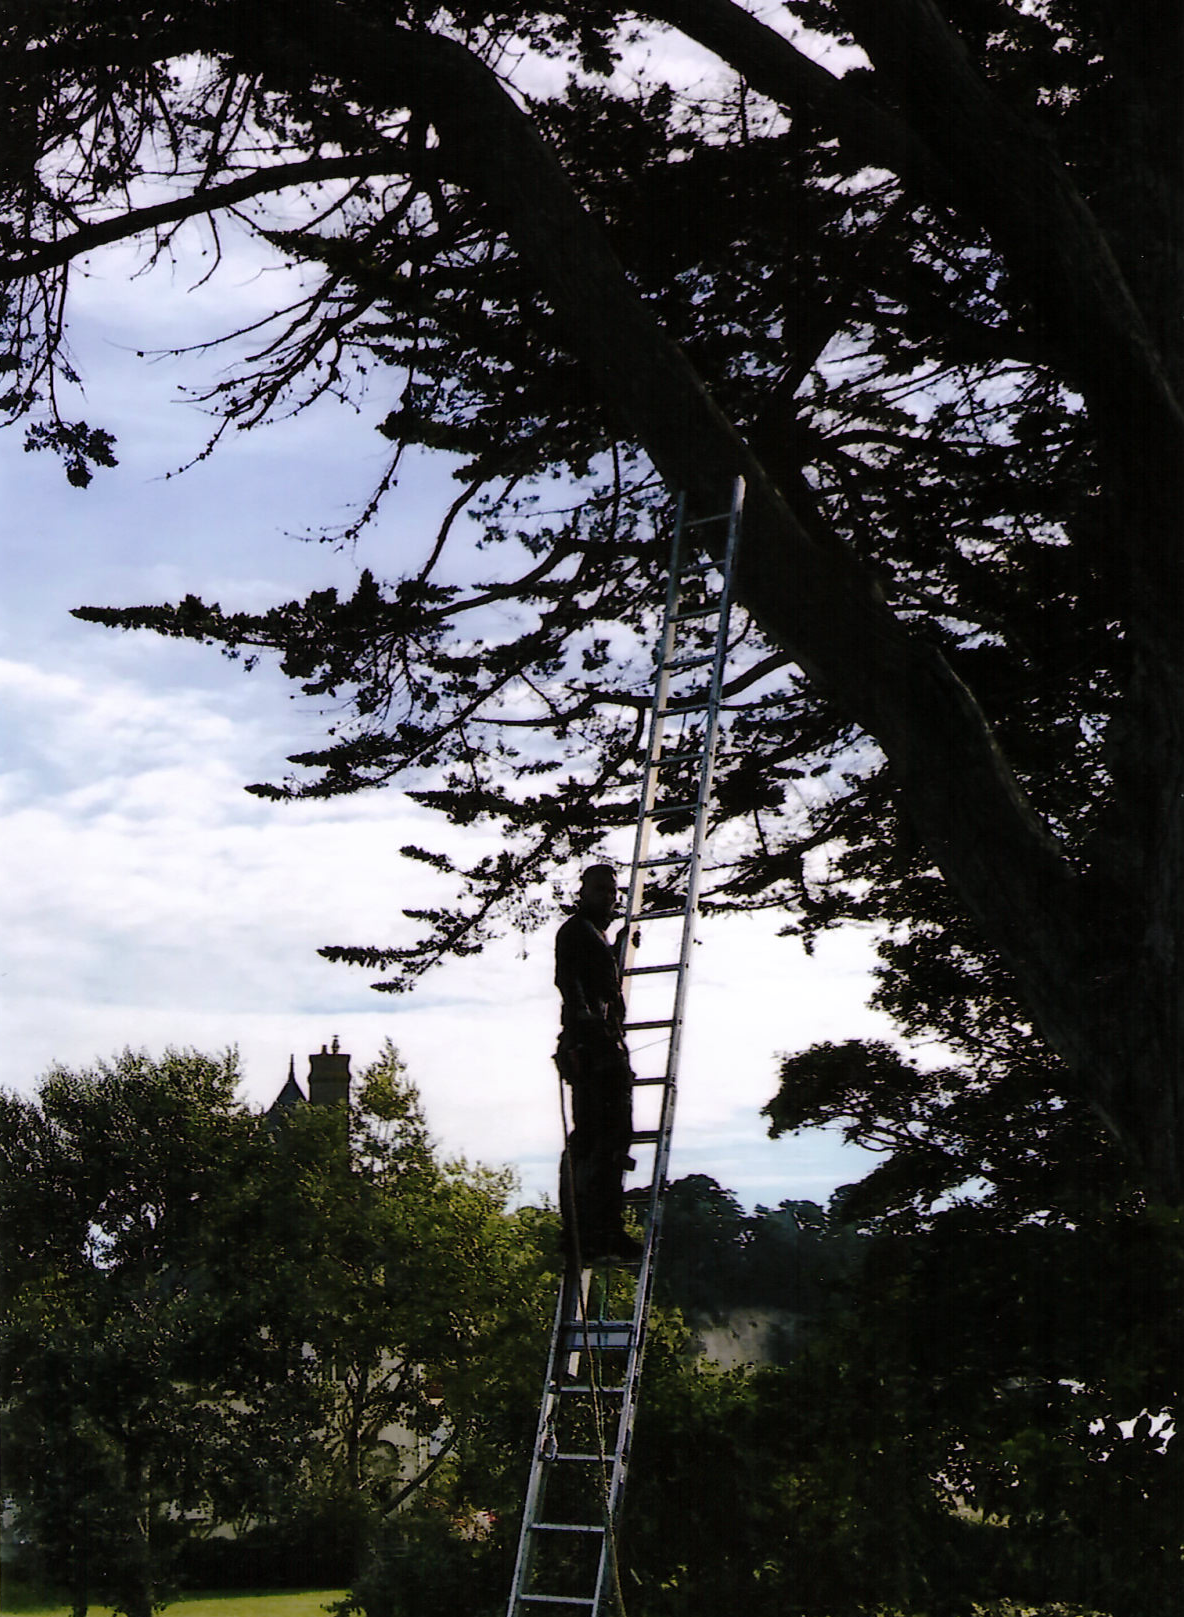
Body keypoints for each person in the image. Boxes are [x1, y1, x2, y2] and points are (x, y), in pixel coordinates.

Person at [555, 865, 643, 1264]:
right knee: (595, 1142)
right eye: (601, 890)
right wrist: (586, 1031)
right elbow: (570, 984)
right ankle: (587, 1233)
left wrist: (623, 946)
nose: (610, 897)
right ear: (584, 892)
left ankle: (603, 1229)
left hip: (601, 1046)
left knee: (610, 1141)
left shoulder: (597, 937)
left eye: (613, 891)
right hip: (591, 1048)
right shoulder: (576, 932)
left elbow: (600, 983)